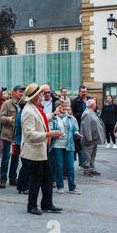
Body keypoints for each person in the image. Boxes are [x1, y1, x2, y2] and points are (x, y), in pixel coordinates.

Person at [21, 83, 63, 216]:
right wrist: (49, 134)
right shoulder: (28, 111)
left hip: (41, 150)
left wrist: (54, 114)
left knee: (47, 178)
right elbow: (30, 135)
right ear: (34, 97)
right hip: (34, 151)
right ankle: (31, 205)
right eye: (40, 93)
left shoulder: (35, 108)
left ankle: (46, 203)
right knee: (36, 179)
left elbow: (42, 120)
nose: (42, 95)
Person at [49, 101, 82, 195]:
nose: (64, 109)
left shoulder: (71, 118)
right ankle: (60, 186)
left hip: (69, 145)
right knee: (59, 166)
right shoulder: (54, 118)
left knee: (70, 167)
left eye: (65, 107)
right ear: (57, 108)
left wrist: (76, 133)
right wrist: (55, 134)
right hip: (57, 145)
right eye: (62, 107)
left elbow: (75, 129)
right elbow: (50, 129)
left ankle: (72, 187)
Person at [0, 85, 25, 188]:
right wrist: (9, 119)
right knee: (6, 157)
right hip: (8, 135)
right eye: (19, 91)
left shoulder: (24, 104)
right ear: (14, 92)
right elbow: (1, 117)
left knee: (15, 157)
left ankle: (13, 178)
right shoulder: (7, 103)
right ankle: (3, 179)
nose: (21, 93)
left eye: (22, 92)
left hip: (18, 135)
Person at [80, 99, 105, 176]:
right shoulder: (87, 113)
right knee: (87, 154)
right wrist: (89, 139)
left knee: (92, 154)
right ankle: (87, 169)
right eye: (95, 104)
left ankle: (91, 168)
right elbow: (86, 127)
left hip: (94, 139)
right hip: (89, 139)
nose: (96, 105)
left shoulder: (91, 112)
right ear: (92, 105)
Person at [71, 85, 92, 166]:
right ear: (79, 92)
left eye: (86, 92)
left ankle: (88, 162)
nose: (85, 93)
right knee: (80, 145)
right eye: (83, 92)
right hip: (80, 125)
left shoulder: (90, 99)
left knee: (89, 144)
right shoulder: (75, 101)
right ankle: (82, 163)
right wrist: (84, 113)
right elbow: (74, 114)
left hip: (89, 125)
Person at [14, 98, 29, 194]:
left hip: (20, 141)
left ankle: (22, 185)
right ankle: (23, 186)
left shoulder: (21, 114)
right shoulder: (22, 115)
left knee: (26, 165)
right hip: (21, 141)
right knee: (26, 165)